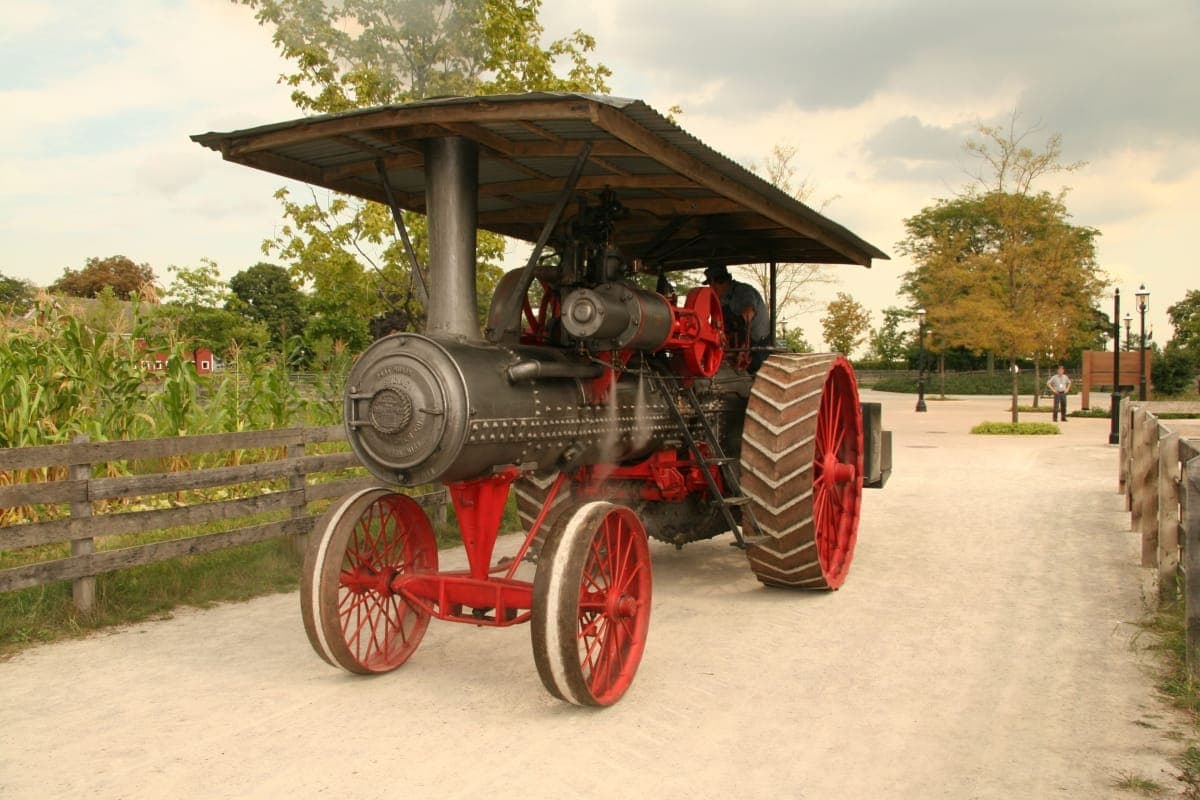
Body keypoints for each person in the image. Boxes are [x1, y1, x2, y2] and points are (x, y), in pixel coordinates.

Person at [703, 264, 770, 372]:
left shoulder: (743, 291)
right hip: (737, 343)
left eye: (711, 284)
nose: (711, 288)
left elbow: (748, 315)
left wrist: (742, 347)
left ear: (716, 282)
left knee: (757, 374)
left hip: (758, 345)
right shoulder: (720, 299)